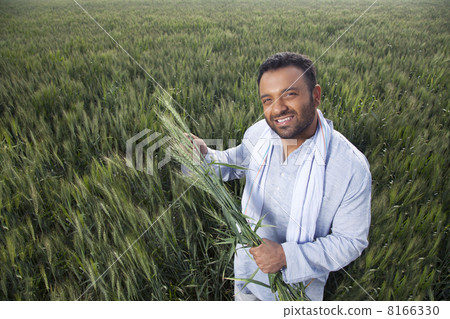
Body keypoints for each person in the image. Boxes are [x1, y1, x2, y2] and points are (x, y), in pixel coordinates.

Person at [188, 52, 371, 301]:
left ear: (315, 96)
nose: (278, 108)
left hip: (296, 290)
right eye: (268, 99)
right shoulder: (259, 133)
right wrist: (205, 155)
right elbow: (234, 163)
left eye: (290, 94)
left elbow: (351, 241)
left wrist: (286, 256)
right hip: (246, 272)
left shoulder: (350, 166)